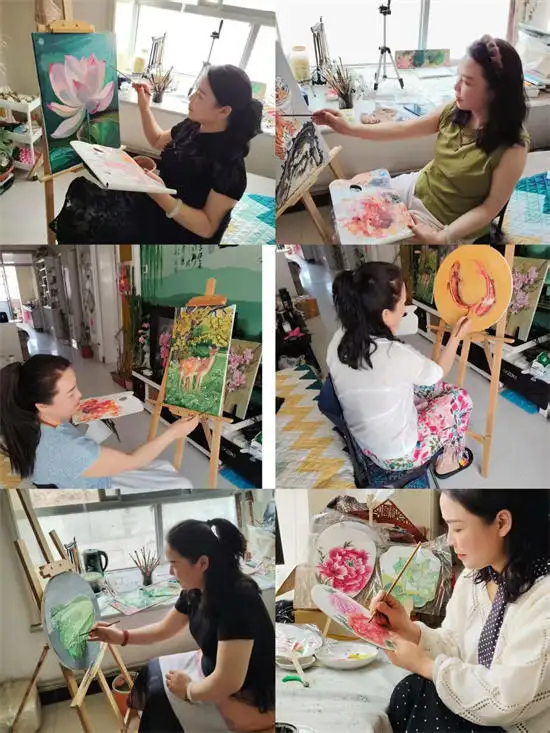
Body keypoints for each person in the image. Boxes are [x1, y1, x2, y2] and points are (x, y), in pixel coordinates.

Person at [313, 36, 529, 244]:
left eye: (467, 82)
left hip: (446, 222)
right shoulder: (455, 110)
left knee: (356, 236)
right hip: (419, 186)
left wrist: (442, 237)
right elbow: (402, 128)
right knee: (349, 214)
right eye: (459, 77)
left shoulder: (513, 147)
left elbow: (489, 209)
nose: (456, 87)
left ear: (495, 91)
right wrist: (348, 128)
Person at [373, 489, 550, 733]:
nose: (448, 540)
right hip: (480, 713)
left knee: (423, 693)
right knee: (412, 691)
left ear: (501, 523)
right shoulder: (475, 576)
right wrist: (409, 630)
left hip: (509, 724)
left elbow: (506, 699)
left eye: (457, 528)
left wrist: (426, 665)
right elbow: (455, 645)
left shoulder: (543, 599)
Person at [90, 518, 275, 733]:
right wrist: (120, 636)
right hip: (211, 670)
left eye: (174, 564)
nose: (170, 572)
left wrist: (188, 690)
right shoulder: (195, 589)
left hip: (247, 695)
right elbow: (164, 629)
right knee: (151, 671)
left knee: (160, 701)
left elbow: (228, 681)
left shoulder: (238, 599)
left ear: (202, 563)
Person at [51, 65, 263, 244]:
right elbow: (158, 139)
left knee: (89, 219)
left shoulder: (230, 166)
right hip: (156, 201)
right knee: (82, 195)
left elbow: (207, 227)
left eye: (200, 95)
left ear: (224, 111)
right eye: (195, 91)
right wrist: (144, 107)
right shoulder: (193, 126)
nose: (191, 98)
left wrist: (161, 197)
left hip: (178, 230)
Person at [327, 261, 474, 478]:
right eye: (403, 303)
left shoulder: (339, 338)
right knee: (460, 399)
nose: (405, 310)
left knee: (436, 390)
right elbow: (438, 371)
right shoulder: (395, 354)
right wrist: (457, 337)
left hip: (364, 443)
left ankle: (429, 424)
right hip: (398, 454)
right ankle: (449, 461)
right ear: (385, 314)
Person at [0, 355, 198, 488]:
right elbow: (132, 461)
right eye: (70, 393)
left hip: (79, 477)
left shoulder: (27, 421)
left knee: (163, 467)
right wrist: (173, 432)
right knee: (181, 484)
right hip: (100, 485)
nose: (80, 395)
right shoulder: (70, 449)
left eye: (76, 387)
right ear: (42, 405)